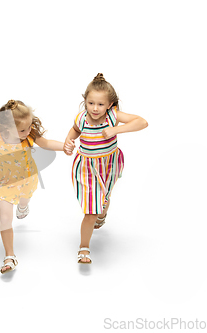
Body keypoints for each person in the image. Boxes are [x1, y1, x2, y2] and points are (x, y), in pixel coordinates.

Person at [63, 74, 148, 264]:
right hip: (86, 168)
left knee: (104, 200)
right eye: (91, 103)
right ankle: (84, 247)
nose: (95, 108)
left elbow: (142, 122)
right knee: (91, 212)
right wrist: (68, 141)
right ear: (85, 101)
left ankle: (102, 214)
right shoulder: (82, 117)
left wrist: (116, 129)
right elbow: (75, 130)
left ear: (110, 105)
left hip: (109, 165)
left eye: (100, 104)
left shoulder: (113, 116)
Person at [0, 99, 72, 273]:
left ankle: (23, 206)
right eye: (23, 129)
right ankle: (9, 256)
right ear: (6, 128)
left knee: (24, 200)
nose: (28, 131)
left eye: (29, 127)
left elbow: (46, 143)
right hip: (3, 180)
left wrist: (64, 147)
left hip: (26, 178)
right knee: (5, 218)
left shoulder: (29, 134)